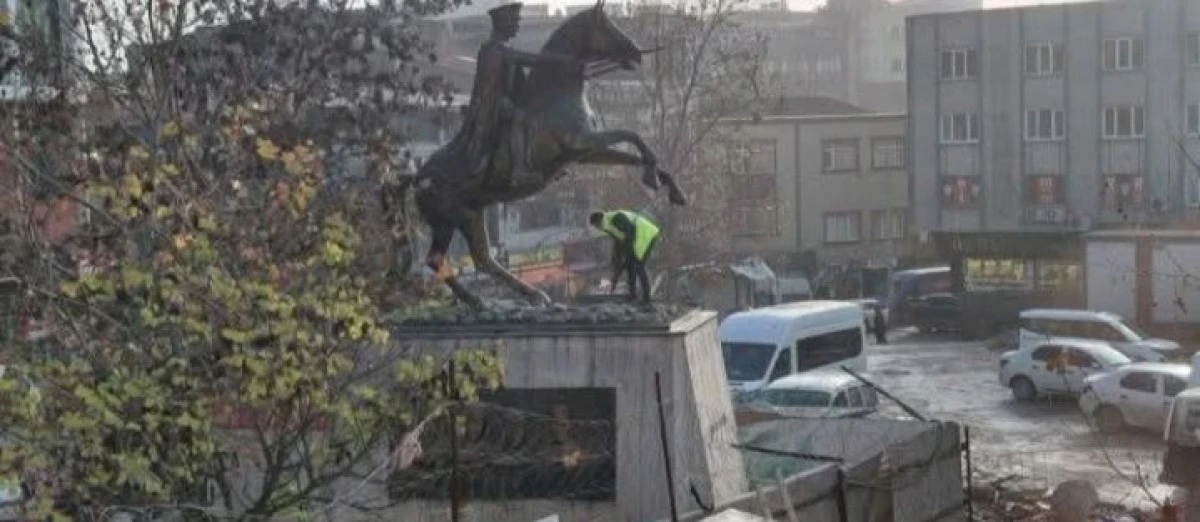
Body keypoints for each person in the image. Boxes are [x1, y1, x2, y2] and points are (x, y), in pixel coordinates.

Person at [460, 2, 587, 185]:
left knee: (537, 112)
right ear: (504, 24)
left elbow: (522, 79)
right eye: (515, 21)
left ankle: (543, 162)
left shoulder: (504, 48)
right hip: (492, 104)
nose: (518, 25)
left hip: (505, 100)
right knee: (521, 118)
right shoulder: (493, 50)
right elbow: (533, 60)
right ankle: (519, 170)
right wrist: (564, 60)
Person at [589, 210, 660, 304]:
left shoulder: (616, 218)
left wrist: (628, 253)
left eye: (596, 225)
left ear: (599, 221)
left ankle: (646, 297)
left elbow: (631, 232)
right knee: (630, 266)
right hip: (636, 238)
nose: (597, 228)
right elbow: (618, 241)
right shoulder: (607, 226)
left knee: (638, 265)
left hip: (646, 234)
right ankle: (632, 296)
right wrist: (616, 259)